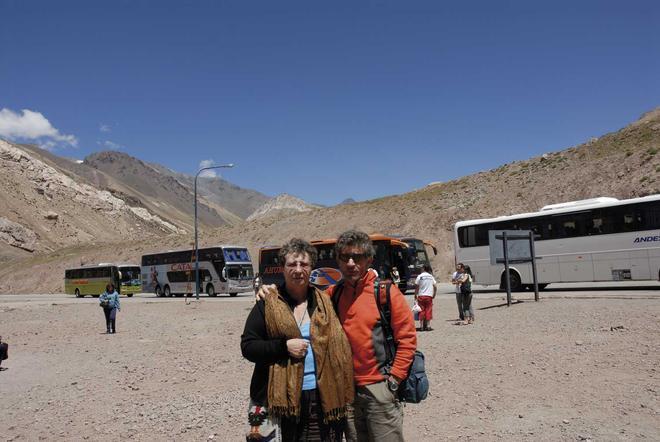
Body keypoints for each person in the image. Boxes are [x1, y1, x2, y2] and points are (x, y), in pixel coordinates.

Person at [258, 231, 417, 442]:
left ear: (369, 259)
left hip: (380, 388)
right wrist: (269, 291)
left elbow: (407, 340)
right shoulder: (334, 294)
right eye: (344, 257)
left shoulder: (386, 293)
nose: (351, 263)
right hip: (345, 391)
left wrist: (394, 381)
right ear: (338, 261)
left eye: (358, 257)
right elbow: (303, 293)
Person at [241, 238, 354, 442]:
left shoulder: (324, 302)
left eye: (304, 264)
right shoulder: (268, 303)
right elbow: (248, 347)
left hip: (320, 397)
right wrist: (283, 347)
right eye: (292, 264)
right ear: (282, 268)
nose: (298, 269)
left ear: (312, 268)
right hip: (279, 400)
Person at [414, 265, 437, 331]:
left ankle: (421, 326)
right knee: (428, 310)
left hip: (421, 295)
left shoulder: (420, 276)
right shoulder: (431, 276)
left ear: (423, 268)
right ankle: (428, 326)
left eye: (421, 268)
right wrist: (434, 294)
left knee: (421, 310)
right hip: (429, 295)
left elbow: (417, 286)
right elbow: (435, 286)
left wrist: (415, 294)